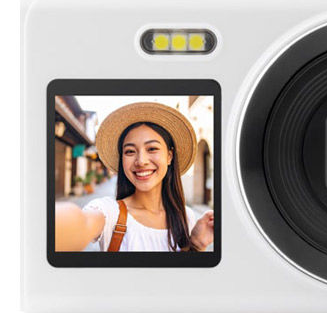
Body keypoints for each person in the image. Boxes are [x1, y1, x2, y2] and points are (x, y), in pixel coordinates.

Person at [55, 102, 214, 252]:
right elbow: (80, 223)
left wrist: (196, 245)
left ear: (169, 156)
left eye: (152, 149)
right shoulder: (109, 212)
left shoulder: (186, 217)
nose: (141, 161)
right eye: (130, 151)